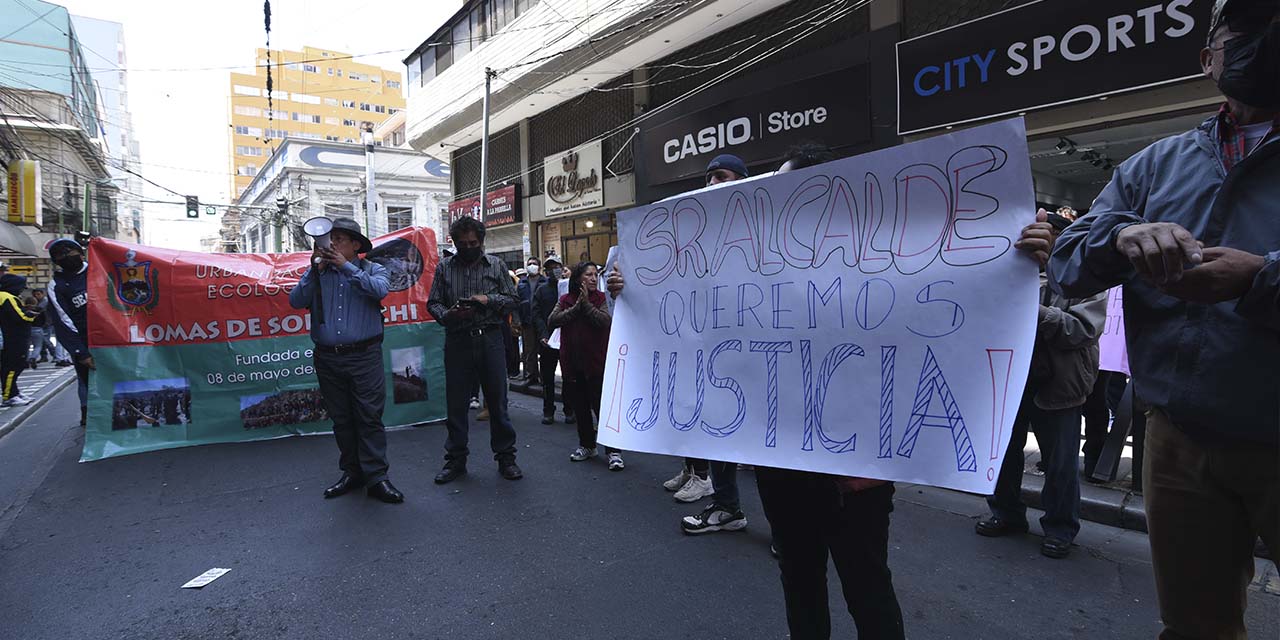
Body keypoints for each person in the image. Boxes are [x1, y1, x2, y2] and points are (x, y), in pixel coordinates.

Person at [1047, 0, 1278, 633]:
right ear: (1209, 59)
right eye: (1246, 34)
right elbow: (1067, 261)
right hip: (1176, 440)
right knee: (1195, 624)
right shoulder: (1155, 163)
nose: (1266, 44)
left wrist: (1262, 277)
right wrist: (1120, 237)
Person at [607, 154, 751, 525]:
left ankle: (789, 533)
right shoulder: (690, 234)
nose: (712, 183)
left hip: (752, 353)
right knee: (713, 432)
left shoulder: (756, 228)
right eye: (708, 178)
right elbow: (662, 289)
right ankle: (726, 504)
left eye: (721, 176)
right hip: (708, 354)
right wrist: (626, 287)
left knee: (766, 446)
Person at [978, 212, 1106, 559]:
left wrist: (1031, 310)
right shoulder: (1009, 273)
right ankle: (1004, 513)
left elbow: (1082, 330)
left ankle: (1061, 527)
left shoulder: (1085, 278)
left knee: (1061, 463)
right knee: (1004, 455)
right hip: (1010, 381)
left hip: (1060, 385)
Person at [288, 218, 402, 504]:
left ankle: (377, 477)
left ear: (355, 245)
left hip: (364, 356)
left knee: (369, 417)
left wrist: (345, 267)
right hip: (328, 357)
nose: (332, 243)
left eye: (339, 239)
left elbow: (380, 290)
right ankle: (352, 472)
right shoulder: (318, 272)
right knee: (342, 419)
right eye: (330, 239)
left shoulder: (372, 268)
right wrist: (314, 272)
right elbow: (295, 300)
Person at [427, 215, 523, 484]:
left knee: (497, 403)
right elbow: (432, 303)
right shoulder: (445, 267)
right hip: (457, 340)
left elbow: (513, 299)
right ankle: (456, 461)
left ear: (481, 241)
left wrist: (487, 300)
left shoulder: (496, 265)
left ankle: (506, 458)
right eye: (462, 243)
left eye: (473, 242)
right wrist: (448, 315)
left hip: (490, 339)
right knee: (456, 405)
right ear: (454, 242)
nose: (468, 246)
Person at [548, 261, 624, 471]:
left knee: (602, 408)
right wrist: (576, 307)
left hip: (597, 363)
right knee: (581, 408)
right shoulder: (565, 300)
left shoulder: (601, 298)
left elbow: (605, 321)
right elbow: (553, 320)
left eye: (594, 275)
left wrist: (586, 306)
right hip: (573, 363)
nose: (592, 278)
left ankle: (613, 451)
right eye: (587, 275)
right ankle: (587, 445)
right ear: (577, 279)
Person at [47, 238, 91, 427]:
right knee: (86, 381)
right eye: (60, 256)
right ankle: (88, 413)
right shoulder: (56, 285)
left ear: (81, 254)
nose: (66, 257)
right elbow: (63, 321)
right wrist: (80, 352)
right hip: (85, 342)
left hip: (115, 338)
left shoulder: (101, 271)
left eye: (69, 252)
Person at [532, 256, 570, 424]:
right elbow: (536, 314)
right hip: (548, 340)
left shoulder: (570, 287)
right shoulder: (541, 290)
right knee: (547, 378)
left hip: (567, 339)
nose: (554, 270)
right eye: (550, 268)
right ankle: (548, 411)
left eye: (557, 267)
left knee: (569, 377)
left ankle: (570, 409)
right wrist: (543, 334)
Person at [0, 274, 38, 407]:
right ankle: (9, 395)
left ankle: (14, 392)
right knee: (12, 367)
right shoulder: (7, 297)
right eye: (21, 288)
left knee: (15, 366)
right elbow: (19, 316)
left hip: (14, 338)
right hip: (14, 338)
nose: (22, 290)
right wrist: (31, 316)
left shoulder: (6, 296)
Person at [517, 257, 544, 385]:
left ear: (539, 266)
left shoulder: (545, 281)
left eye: (534, 264)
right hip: (527, 320)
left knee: (544, 350)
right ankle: (531, 376)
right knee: (529, 350)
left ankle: (545, 377)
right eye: (529, 264)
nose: (532, 266)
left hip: (542, 321)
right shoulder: (522, 283)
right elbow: (517, 302)